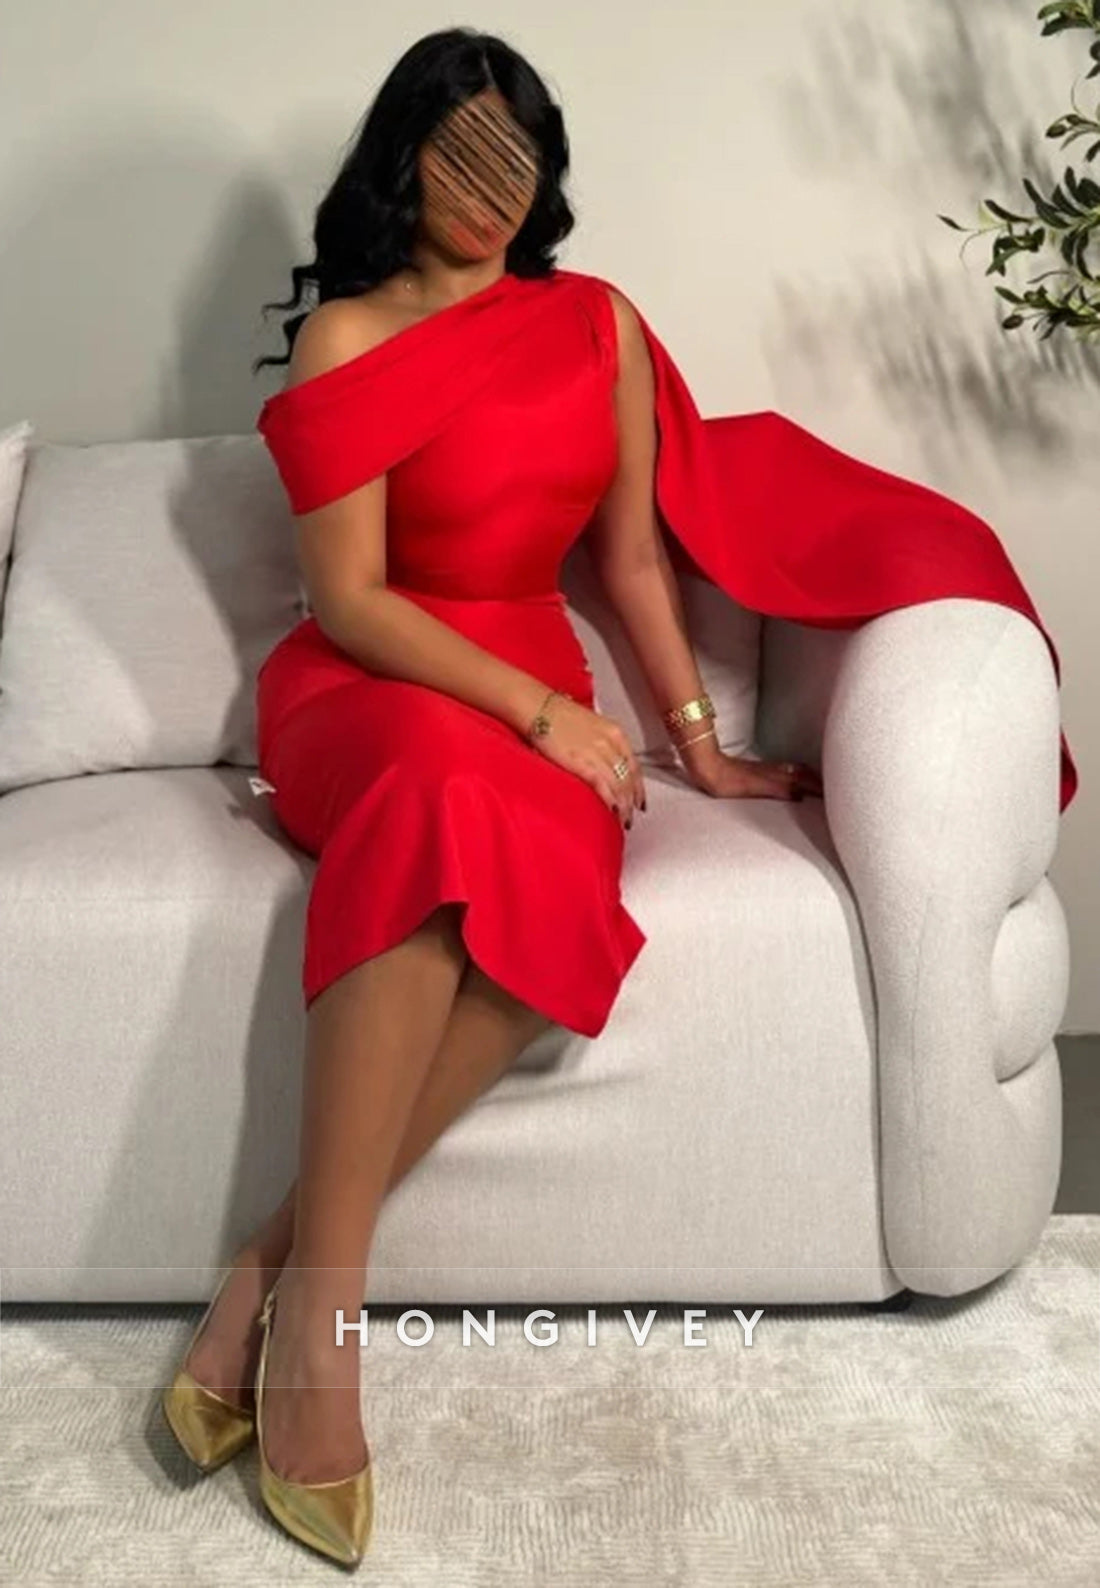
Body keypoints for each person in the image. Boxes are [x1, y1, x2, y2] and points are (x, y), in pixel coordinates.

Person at [162, 24, 1077, 1570]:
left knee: (541, 898)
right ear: (402, 162)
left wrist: (696, 746)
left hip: (535, 684)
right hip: (378, 684)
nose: (493, 187)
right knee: (443, 803)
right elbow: (355, 601)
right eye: (461, 152)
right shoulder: (348, 338)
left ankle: (266, 1274)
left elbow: (634, 556)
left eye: (518, 157)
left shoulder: (596, 326)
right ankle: (323, 1330)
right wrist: (537, 711)